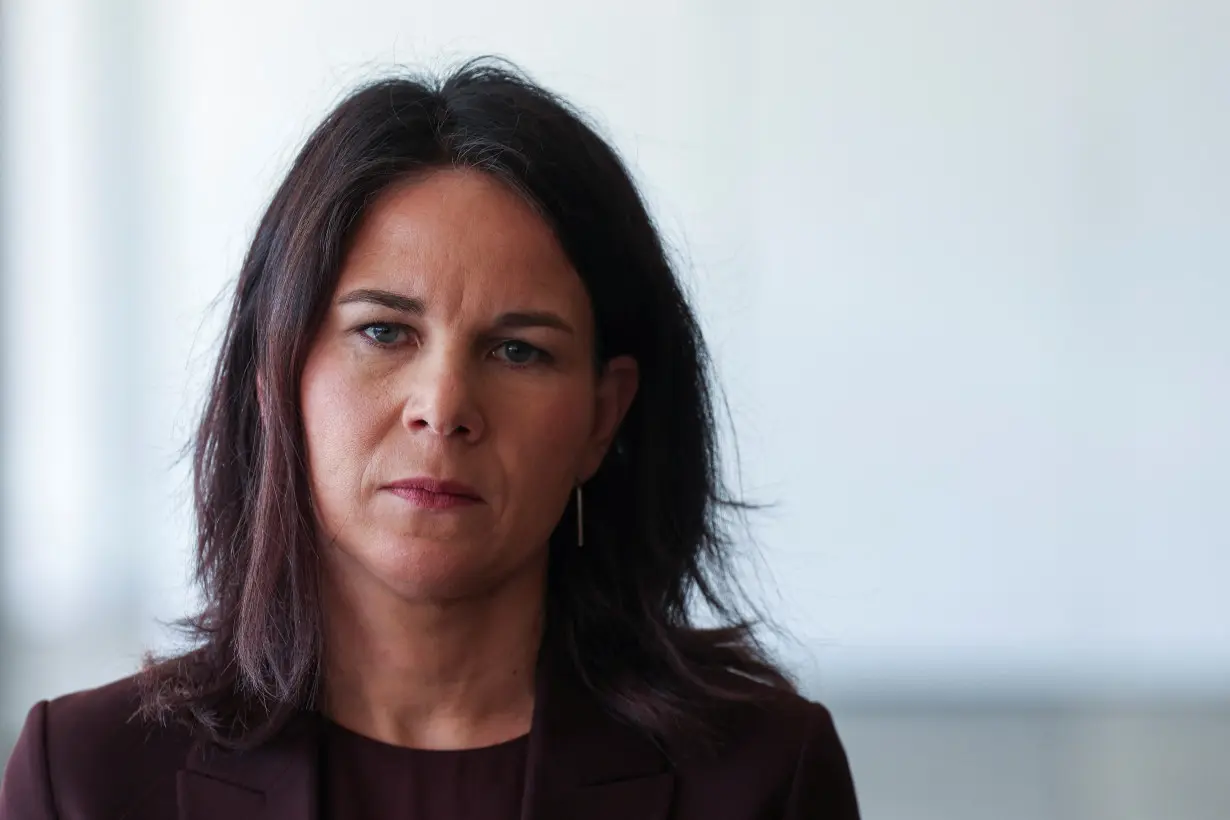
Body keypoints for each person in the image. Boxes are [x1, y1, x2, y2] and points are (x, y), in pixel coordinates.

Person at [0, 58, 860, 820]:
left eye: (518, 350)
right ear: (277, 373)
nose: (443, 406)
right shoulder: (84, 777)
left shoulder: (761, 777)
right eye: (384, 332)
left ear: (602, 417)